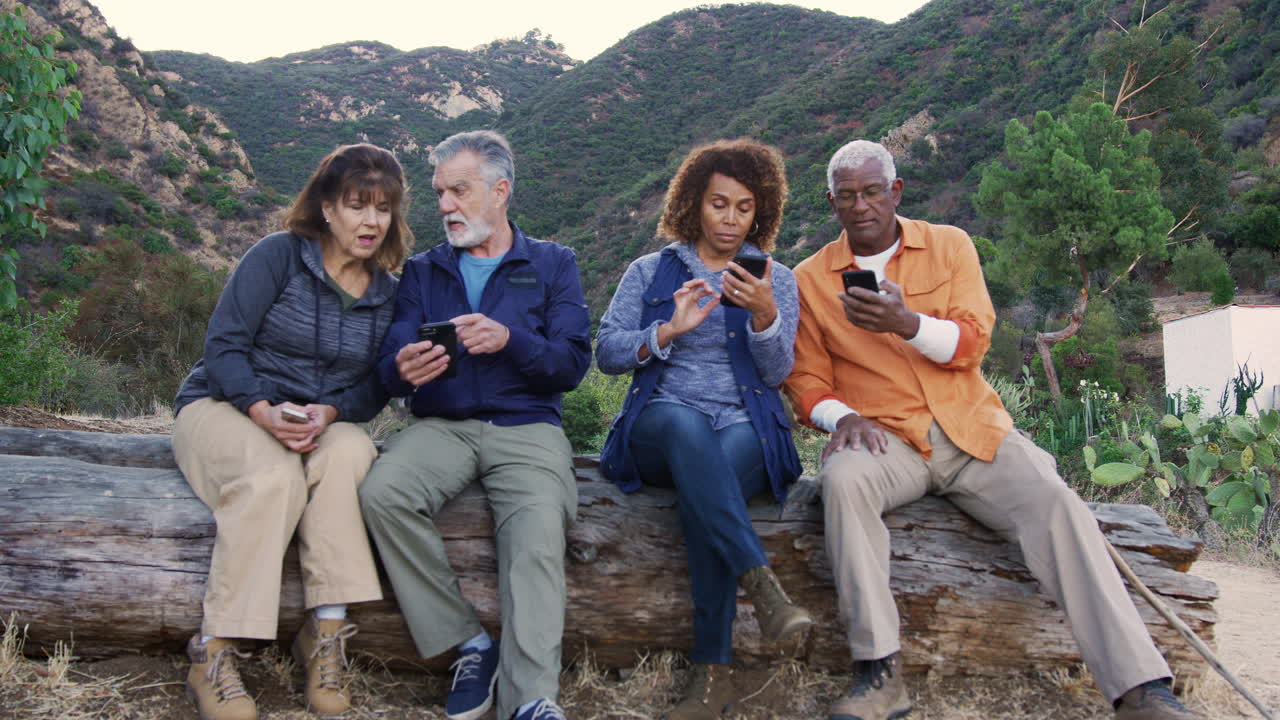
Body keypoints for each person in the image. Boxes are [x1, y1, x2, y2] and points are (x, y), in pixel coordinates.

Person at [783, 139, 1201, 720]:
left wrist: (906, 323)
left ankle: (1140, 689)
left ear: (895, 192)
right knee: (844, 482)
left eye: (873, 191)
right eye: (847, 196)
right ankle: (879, 673)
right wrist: (842, 417)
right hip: (885, 437)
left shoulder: (949, 246)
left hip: (969, 429)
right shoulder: (809, 278)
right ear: (832, 203)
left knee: (1056, 501)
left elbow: (973, 341)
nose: (861, 206)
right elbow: (805, 379)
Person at [171, 143, 411, 720]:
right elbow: (224, 345)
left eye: (383, 209)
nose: (371, 221)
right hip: (225, 404)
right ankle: (214, 651)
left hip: (318, 422)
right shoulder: (278, 257)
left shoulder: (388, 293)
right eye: (358, 205)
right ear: (327, 207)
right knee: (272, 475)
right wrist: (259, 408)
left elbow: (376, 387)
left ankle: (324, 638)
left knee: (352, 452)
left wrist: (331, 413)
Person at [358, 130, 590, 720]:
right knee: (383, 494)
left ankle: (531, 698)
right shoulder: (424, 271)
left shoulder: (552, 263)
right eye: (440, 193)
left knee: (537, 528)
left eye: (459, 191)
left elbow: (570, 364)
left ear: (500, 191)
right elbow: (388, 364)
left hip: (527, 427)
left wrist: (511, 340)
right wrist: (403, 368)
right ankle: (468, 643)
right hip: (444, 426)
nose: (445, 206)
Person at [596, 138, 810, 720]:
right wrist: (666, 330)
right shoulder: (650, 271)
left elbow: (776, 373)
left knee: (707, 486)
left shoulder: (776, 279)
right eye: (719, 204)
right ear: (694, 202)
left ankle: (712, 679)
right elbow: (608, 353)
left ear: (759, 211)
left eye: (745, 208)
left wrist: (765, 314)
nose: (731, 219)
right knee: (687, 428)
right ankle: (761, 585)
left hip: (745, 424)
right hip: (660, 422)